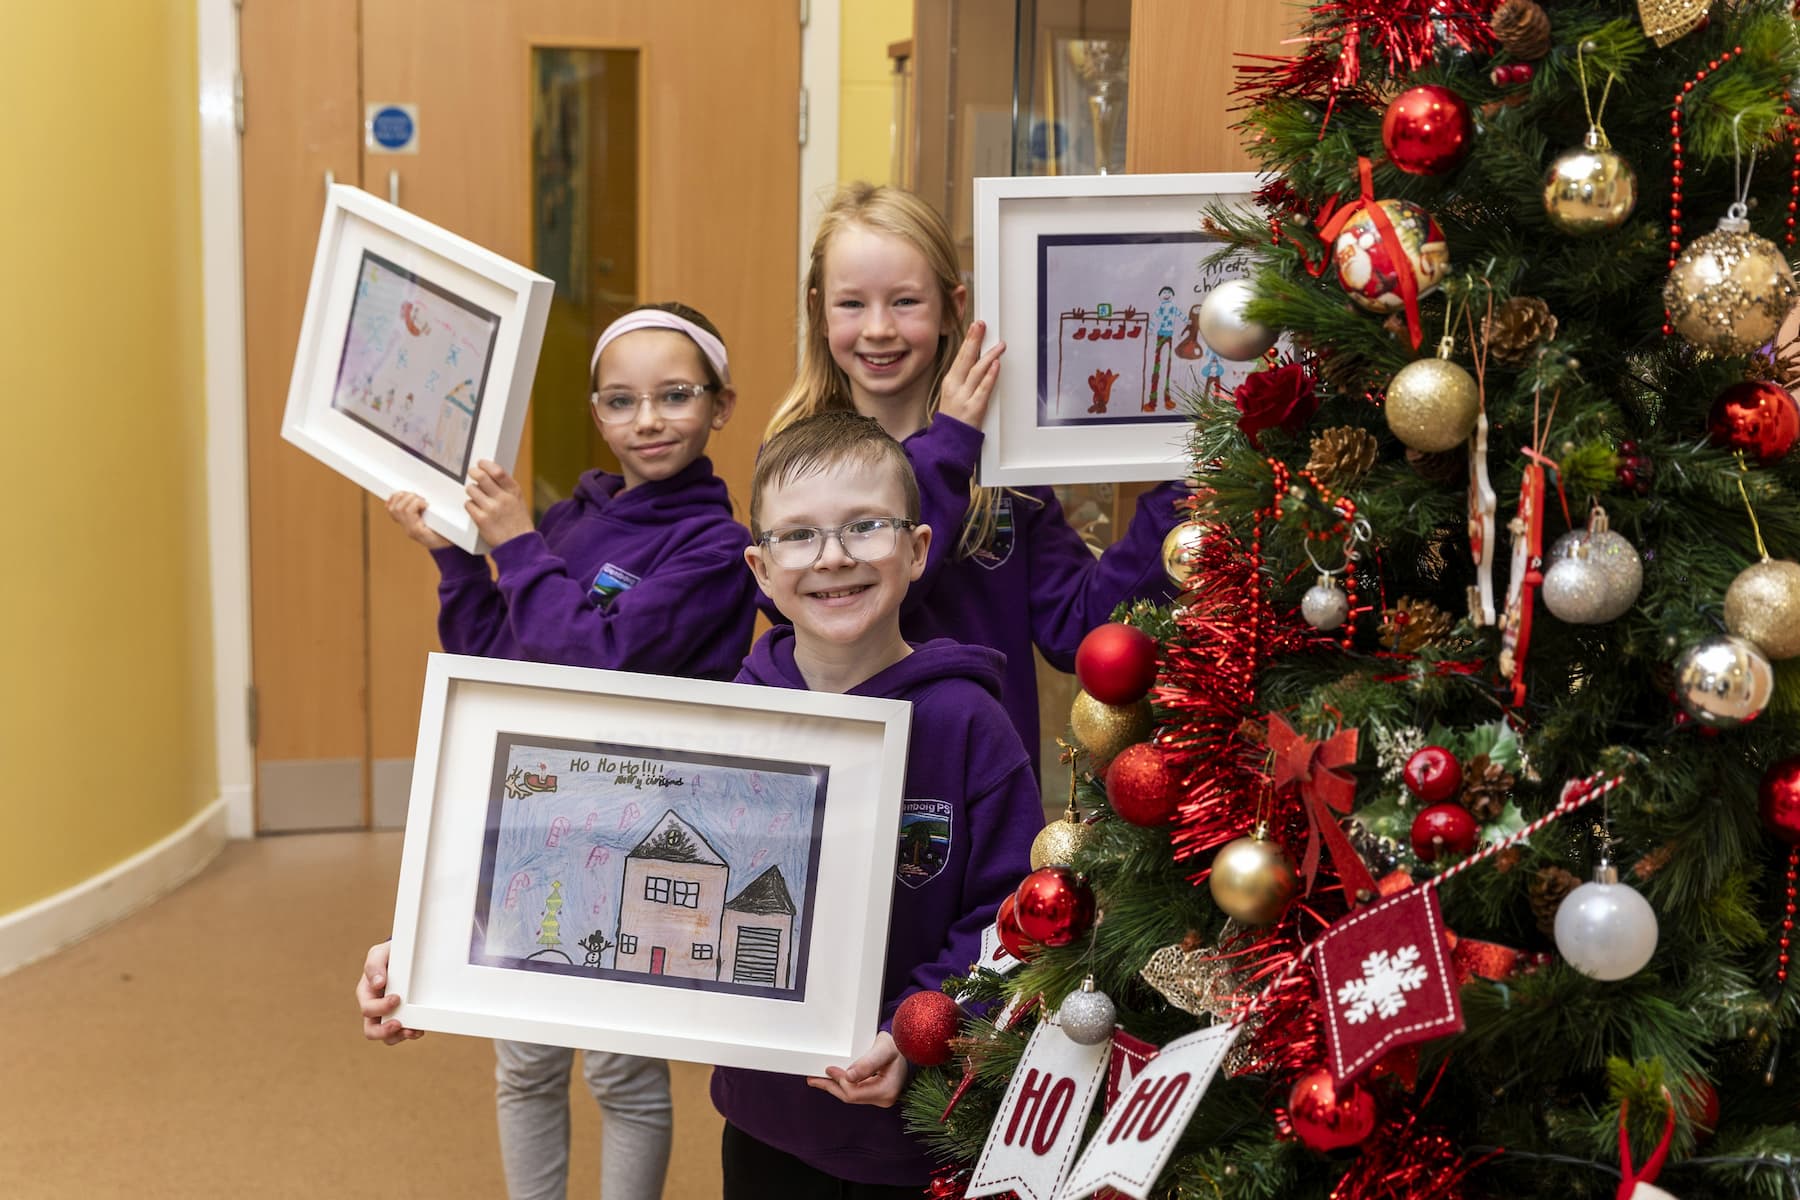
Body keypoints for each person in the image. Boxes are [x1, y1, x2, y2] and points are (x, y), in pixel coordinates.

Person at [358, 302, 758, 1200]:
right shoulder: (573, 523)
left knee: (618, 1069)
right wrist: (461, 563)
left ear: (722, 405)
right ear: (597, 412)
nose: (647, 420)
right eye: (621, 401)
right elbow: (498, 662)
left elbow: (595, 663)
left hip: (640, 826)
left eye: (675, 396)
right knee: (526, 1058)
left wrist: (515, 545)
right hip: (536, 820)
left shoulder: (716, 546)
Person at [717, 411, 1040, 1196]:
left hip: (915, 1135)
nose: (832, 557)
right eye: (798, 536)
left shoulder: (970, 724)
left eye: (865, 526)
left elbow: (1015, 917)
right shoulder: (731, 716)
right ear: (761, 568)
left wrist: (920, 1025)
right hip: (766, 1119)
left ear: (918, 548)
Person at [764, 182, 1185, 768]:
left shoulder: (1004, 474)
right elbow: (852, 608)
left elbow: (1078, 628)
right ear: (818, 309)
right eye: (852, 303)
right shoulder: (795, 459)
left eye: (905, 301)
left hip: (984, 792)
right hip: (845, 785)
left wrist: (1182, 492)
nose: (879, 328)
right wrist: (951, 446)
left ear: (952, 308)